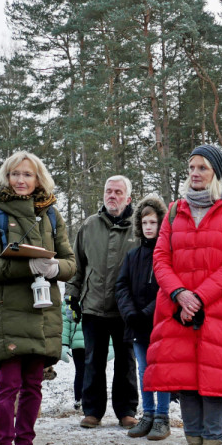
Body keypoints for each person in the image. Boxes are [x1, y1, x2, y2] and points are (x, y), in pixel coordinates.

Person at [145, 145, 222, 445]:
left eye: (202, 167)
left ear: (215, 173)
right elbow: (160, 257)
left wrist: (199, 297)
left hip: (218, 311)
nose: (195, 173)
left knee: (214, 383)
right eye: (191, 167)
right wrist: (179, 293)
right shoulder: (174, 211)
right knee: (186, 381)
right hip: (178, 310)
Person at [0, 151, 75, 445]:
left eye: (27, 175)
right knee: (9, 386)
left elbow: (72, 264)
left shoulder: (51, 214)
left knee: (33, 386)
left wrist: (55, 266)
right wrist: (27, 265)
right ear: (6, 176)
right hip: (8, 311)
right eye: (15, 174)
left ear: (38, 179)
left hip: (43, 311)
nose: (21, 180)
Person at [65, 176, 139, 429]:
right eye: (109, 191)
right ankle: (93, 411)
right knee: (92, 360)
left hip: (126, 308)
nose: (112, 196)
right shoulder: (89, 225)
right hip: (93, 304)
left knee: (126, 361)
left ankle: (127, 411)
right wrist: (73, 296)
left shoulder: (137, 229)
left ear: (128, 199)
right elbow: (77, 265)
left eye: (118, 192)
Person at [114, 194, 172, 441]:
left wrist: (147, 313)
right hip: (136, 324)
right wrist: (130, 313)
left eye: (154, 223)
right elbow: (122, 285)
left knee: (162, 370)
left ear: (161, 224)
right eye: (145, 223)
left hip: (161, 322)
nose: (149, 228)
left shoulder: (169, 253)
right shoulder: (133, 255)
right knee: (144, 370)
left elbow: (167, 288)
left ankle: (162, 417)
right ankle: (147, 415)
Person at [60, 300, 86, 412]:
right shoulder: (71, 300)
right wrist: (63, 344)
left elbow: (64, 323)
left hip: (78, 342)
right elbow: (65, 322)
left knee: (81, 372)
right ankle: (82, 399)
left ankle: (79, 399)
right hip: (85, 343)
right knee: (87, 372)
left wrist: (64, 343)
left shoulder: (70, 299)